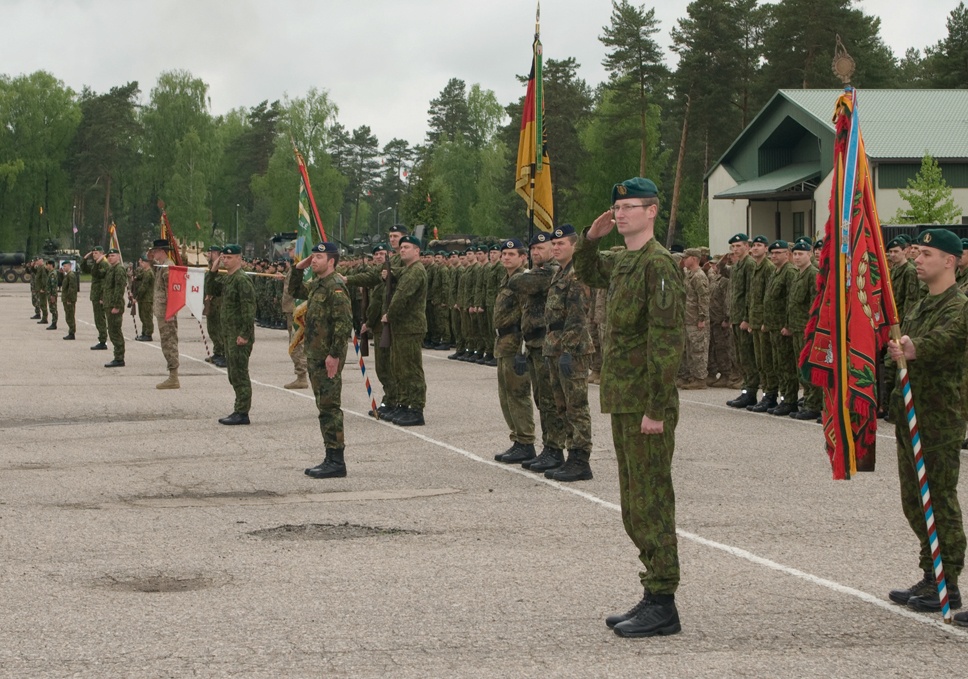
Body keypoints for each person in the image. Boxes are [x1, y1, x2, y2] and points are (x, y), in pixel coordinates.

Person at [574, 177, 686, 638]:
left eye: (629, 207)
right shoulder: (624, 261)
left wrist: (656, 409)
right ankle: (653, 590)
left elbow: (666, 342)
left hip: (645, 402)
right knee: (633, 504)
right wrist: (590, 239)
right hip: (623, 399)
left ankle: (663, 600)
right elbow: (586, 271)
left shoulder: (658, 264)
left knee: (651, 501)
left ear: (653, 212)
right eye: (616, 206)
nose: (619, 214)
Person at [886, 229, 966, 614]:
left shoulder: (959, 306)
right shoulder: (920, 305)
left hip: (938, 417)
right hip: (910, 413)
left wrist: (913, 347)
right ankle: (931, 572)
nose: (918, 259)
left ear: (950, 261)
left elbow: (946, 339)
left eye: (927, 254)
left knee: (939, 500)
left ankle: (948, 581)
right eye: (916, 253)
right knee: (915, 502)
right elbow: (901, 347)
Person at [290, 242, 354, 478]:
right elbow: (294, 291)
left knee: (330, 407)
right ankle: (330, 457)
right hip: (316, 354)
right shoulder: (318, 284)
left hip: (327, 356)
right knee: (323, 406)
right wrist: (298, 268)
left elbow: (343, 324)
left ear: (332, 262)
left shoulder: (335, 287)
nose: (314, 260)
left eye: (319, 257)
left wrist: (334, 356)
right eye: (313, 256)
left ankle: (337, 461)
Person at [506, 232, 567, 471]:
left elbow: (517, 282)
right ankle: (548, 447)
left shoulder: (550, 272)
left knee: (551, 399)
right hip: (533, 343)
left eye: (540, 248)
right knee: (541, 398)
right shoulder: (537, 271)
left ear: (553, 248)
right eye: (532, 249)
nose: (535, 253)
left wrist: (528, 272)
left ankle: (555, 448)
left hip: (547, 344)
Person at [542, 224, 595, 482]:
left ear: (574, 246)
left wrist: (568, 350)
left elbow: (577, 316)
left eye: (561, 243)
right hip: (555, 344)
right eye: (553, 244)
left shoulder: (577, 274)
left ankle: (580, 459)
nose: (556, 247)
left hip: (571, 348)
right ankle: (567, 454)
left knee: (576, 405)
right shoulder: (558, 273)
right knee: (561, 404)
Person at [491, 238, 536, 463]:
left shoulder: (522, 281)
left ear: (522, 258)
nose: (507, 258)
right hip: (503, 343)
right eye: (504, 254)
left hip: (515, 343)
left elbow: (526, 315)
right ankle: (517, 439)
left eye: (512, 254)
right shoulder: (506, 280)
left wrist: (522, 349)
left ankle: (526, 441)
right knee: (505, 395)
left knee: (518, 394)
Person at [381, 234, 428, 426]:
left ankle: (416, 408)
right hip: (402, 327)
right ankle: (404, 403)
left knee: (411, 369)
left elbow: (401, 297)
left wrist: (389, 315)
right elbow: (398, 274)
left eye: (407, 247)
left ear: (417, 251)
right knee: (399, 368)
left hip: (410, 327)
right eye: (401, 247)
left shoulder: (416, 271)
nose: (402, 250)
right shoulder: (408, 270)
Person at [218, 244, 256, 425]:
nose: (225, 260)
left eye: (229, 257)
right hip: (229, 334)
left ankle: (242, 412)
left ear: (239, 258)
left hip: (239, 336)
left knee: (239, 373)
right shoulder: (229, 278)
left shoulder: (242, 280)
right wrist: (212, 269)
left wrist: (245, 334)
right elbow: (211, 289)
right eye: (224, 257)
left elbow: (249, 309)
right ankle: (239, 409)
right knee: (233, 374)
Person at [787, 241, 822, 420]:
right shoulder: (798, 275)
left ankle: (814, 404)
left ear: (810, 254)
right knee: (801, 368)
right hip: (797, 329)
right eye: (795, 254)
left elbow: (814, 306)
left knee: (809, 368)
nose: (797, 257)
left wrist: (812, 329)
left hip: (807, 330)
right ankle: (808, 400)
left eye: (801, 254)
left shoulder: (812, 274)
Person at [763, 241, 797, 416]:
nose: (774, 256)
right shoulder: (775, 272)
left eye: (778, 252)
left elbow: (791, 302)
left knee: (786, 365)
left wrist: (788, 325)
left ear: (787, 254)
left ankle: (789, 399)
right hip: (774, 326)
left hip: (783, 327)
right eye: (772, 253)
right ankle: (782, 398)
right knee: (777, 364)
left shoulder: (789, 272)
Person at [745, 236, 776, 413]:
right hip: (755, 321)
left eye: (759, 246)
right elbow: (752, 297)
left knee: (767, 361)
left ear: (766, 249)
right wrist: (750, 319)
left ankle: (771, 395)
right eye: (754, 245)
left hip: (764, 322)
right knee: (760, 361)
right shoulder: (756, 267)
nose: (755, 248)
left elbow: (768, 298)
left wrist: (765, 321)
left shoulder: (768, 268)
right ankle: (765, 393)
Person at [726, 234, 757, 407]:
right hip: (736, 317)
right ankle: (746, 389)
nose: (735, 249)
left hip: (744, 319)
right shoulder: (738, 265)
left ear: (747, 246)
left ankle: (750, 392)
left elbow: (750, 294)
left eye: (738, 246)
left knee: (748, 357)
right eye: (733, 247)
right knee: (741, 356)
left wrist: (747, 318)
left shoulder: (749, 265)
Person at [150, 240, 181, 389]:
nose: (153, 254)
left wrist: (171, 311)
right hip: (162, 311)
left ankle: (173, 377)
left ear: (162, 251)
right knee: (166, 342)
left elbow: (172, 291)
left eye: (155, 251)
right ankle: (172, 375)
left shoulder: (168, 267)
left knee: (169, 342)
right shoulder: (161, 266)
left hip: (167, 312)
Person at [679, 248, 709, 389]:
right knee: (689, 350)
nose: (684, 260)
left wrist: (702, 317)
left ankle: (700, 378)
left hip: (696, 319)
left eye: (687, 257)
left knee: (698, 349)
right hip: (688, 318)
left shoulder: (699, 276)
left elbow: (703, 298)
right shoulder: (689, 274)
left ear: (694, 259)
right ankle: (691, 376)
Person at [102, 248, 127, 368]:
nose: (110, 258)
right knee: (112, 331)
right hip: (109, 304)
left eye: (112, 255)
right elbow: (108, 287)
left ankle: (119, 358)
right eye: (109, 256)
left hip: (114, 305)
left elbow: (119, 288)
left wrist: (116, 305)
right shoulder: (111, 269)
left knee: (115, 331)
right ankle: (117, 356)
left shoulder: (119, 269)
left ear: (118, 256)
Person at [204, 245, 226, 367]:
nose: (208, 254)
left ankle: (223, 352)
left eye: (210, 252)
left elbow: (221, 282)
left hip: (219, 300)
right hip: (211, 302)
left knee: (219, 328)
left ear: (216, 253)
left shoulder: (222, 266)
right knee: (212, 328)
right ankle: (217, 351)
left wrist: (211, 292)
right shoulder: (210, 266)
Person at [85, 246, 109, 350]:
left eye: (96, 253)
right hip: (95, 295)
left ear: (101, 253)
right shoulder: (97, 264)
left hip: (99, 295)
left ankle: (103, 340)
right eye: (93, 253)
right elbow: (86, 270)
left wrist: (102, 296)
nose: (94, 255)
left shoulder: (103, 264)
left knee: (100, 319)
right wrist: (85, 259)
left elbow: (103, 280)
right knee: (98, 318)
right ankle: (102, 339)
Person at [132, 255, 154, 341]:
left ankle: (148, 334)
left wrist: (136, 297)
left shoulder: (149, 273)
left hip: (147, 298)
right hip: (143, 298)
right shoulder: (145, 272)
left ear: (146, 263)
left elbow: (144, 287)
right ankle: (144, 332)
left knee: (146, 317)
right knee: (142, 316)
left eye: (142, 262)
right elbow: (139, 276)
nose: (141, 264)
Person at [60, 260, 78, 340]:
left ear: (70, 266)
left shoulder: (71, 275)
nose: (64, 268)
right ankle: (71, 332)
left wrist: (69, 299)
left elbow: (72, 288)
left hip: (69, 299)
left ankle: (72, 333)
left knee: (70, 316)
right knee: (68, 316)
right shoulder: (67, 275)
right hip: (66, 298)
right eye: (63, 266)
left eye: (65, 266)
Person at [45, 260, 59, 330]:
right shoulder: (50, 273)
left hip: (52, 294)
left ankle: (54, 323)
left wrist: (53, 295)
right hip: (50, 294)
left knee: (53, 309)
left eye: (47, 265)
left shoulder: (53, 274)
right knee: (52, 308)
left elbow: (53, 286)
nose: (46, 266)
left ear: (50, 265)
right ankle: (53, 322)